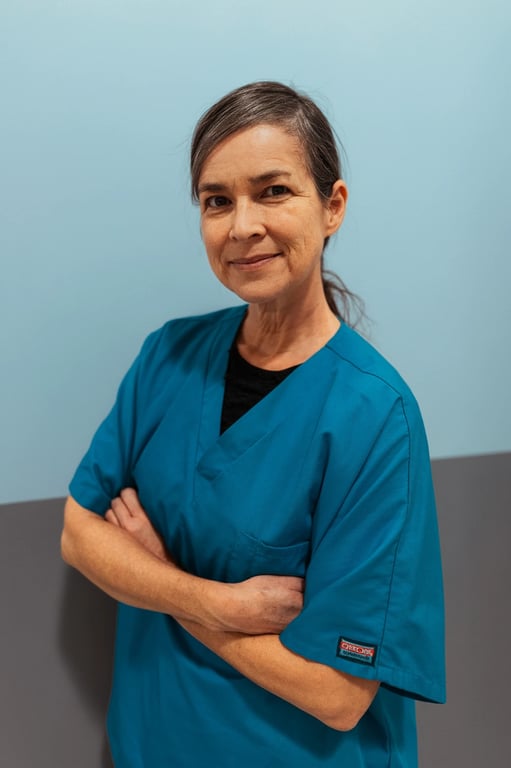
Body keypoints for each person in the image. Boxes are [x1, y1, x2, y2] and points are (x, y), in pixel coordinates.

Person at [61, 81, 445, 767]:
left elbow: (336, 693)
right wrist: (217, 601)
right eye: (217, 200)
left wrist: (155, 578)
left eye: (272, 191)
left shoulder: (373, 416)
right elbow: (78, 534)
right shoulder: (168, 357)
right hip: (150, 745)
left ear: (332, 207)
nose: (241, 226)